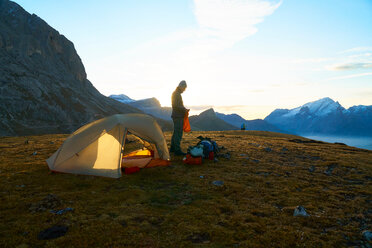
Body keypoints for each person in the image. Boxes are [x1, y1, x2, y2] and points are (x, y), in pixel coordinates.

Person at [170, 80, 188, 155]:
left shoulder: (176, 94)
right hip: (178, 116)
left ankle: (173, 148)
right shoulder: (176, 94)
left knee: (175, 132)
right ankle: (177, 150)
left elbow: (176, 105)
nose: (184, 90)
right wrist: (184, 109)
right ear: (181, 86)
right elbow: (175, 106)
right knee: (178, 133)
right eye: (184, 88)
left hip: (176, 116)